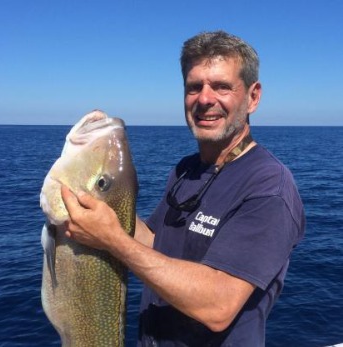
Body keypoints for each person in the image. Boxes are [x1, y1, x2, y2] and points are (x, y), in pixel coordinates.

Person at [61, 31, 305, 346]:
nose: (204, 99)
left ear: (253, 97)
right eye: (194, 87)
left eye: (221, 86)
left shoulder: (270, 187)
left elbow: (218, 307)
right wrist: (101, 204)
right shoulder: (186, 170)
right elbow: (154, 242)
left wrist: (112, 239)